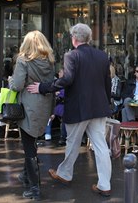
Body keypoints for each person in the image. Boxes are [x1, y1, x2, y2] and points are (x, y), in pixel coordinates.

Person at [27, 23, 113, 197]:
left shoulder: (71, 55)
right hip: (98, 107)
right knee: (101, 147)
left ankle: (65, 174)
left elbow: (67, 80)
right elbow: (107, 84)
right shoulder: (103, 56)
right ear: (88, 38)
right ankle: (105, 185)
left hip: (78, 108)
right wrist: (107, 103)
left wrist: (43, 87)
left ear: (74, 38)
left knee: (72, 144)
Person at [8, 30, 56, 200]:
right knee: (32, 143)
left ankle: (34, 188)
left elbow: (18, 85)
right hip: (44, 106)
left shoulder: (23, 60)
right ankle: (25, 175)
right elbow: (51, 85)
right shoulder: (50, 61)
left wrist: (10, 81)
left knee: (29, 148)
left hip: (28, 107)